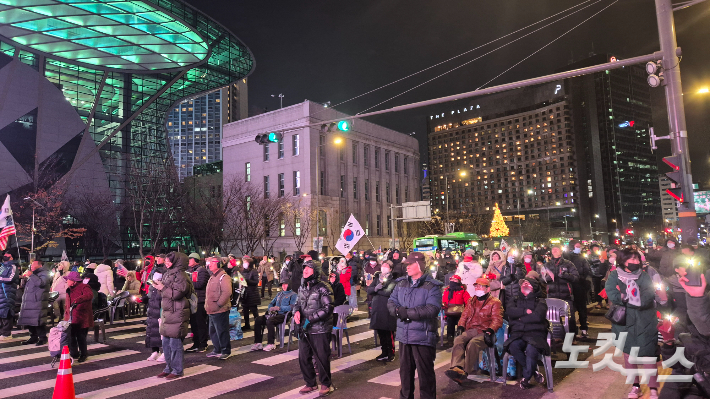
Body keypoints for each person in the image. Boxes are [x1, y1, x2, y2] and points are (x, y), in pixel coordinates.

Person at [605, 248, 663, 399]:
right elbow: (611, 291)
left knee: (648, 354)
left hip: (645, 319)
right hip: (624, 321)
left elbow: (648, 294)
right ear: (623, 261)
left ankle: (653, 388)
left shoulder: (643, 276)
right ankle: (635, 386)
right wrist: (627, 297)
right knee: (629, 355)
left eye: (637, 259)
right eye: (632, 259)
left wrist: (626, 297)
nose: (636, 262)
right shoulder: (614, 275)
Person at [388, 252, 443, 399]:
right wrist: (399, 311)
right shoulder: (401, 283)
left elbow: (432, 309)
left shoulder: (432, 286)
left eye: (411, 264)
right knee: (405, 373)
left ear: (420, 266)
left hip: (423, 337)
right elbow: (391, 302)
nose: (407, 267)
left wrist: (407, 313)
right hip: (404, 336)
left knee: (425, 374)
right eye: (407, 264)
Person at [446, 278, 503, 383]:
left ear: (487, 289)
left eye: (480, 286)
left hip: (484, 331)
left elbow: (497, 319)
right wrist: (460, 326)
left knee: (473, 343)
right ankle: (456, 367)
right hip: (471, 329)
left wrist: (490, 330)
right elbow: (464, 316)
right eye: (476, 286)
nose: (477, 288)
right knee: (459, 339)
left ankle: (464, 372)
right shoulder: (471, 301)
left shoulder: (495, 302)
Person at [293, 261, 335, 397]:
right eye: (304, 268)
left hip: (320, 328)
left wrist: (311, 319)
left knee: (321, 357)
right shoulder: (302, 287)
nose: (305, 271)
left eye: (308, 268)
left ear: (315, 271)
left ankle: (325, 383)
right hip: (304, 328)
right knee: (303, 357)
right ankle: (310, 383)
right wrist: (296, 312)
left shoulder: (323, 287)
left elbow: (328, 308)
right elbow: (297, 303)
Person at [152, 252, 193, 379]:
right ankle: (168, 367)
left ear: (177, 262)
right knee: (166, 343)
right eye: (166, 261)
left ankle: (177, 370)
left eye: (169, 261)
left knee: (175, 344)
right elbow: (164, 293)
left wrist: (162, 288)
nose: (166, 263)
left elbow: (177, 294)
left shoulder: (181, 276)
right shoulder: (168, 273)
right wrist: (158, 287)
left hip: (178, 312)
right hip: (168, 311)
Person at [503, 278, 549, 389]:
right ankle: (534, 372)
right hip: (518, 333)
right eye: (523, 283)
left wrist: (519, 318)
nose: (524, 284)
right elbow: (509, 311)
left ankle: (526, 378)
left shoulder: (540, 301)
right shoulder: (514, 299)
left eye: (527, 283)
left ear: (534, 287)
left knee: (531, 350)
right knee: (513, 346)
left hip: (535, 333)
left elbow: (538, 317)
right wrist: (525, 312)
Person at [541, 245, 580, 334]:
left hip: (566, 295)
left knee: (570, 318)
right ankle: (556, 336)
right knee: (553, 317)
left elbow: (576, 278)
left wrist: (565, 275)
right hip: (551, 295)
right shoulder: (547, 265)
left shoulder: (568, 264)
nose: (554, 250)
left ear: (561, 252)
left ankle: (571, 338)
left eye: (556, 249)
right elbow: (541, 279)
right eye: (553, 249)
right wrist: (549, 278)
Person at [252, 281, 297, 352]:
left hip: (283, 315)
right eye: (282, 285)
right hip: (274, 314)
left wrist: (280, 308)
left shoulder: (293, 295)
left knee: (270, 321)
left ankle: (271, 343)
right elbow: (271, 303)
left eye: (285, 284)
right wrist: (271, 308)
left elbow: (292, 307)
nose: (284, 286)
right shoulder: (279, 294)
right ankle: (258, 343)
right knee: (258, 319)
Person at [367, 261, 397, 362]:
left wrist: (376, 290)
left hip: (386, 309)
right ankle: (384, 351)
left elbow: (388, 292)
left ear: (391, 269)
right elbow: (369, 290)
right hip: (377, 308)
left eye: (387, 266)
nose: (384, 268)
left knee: (388, 333)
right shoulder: (377, 278)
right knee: (380, 332)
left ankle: (391, 352)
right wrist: (375, 288)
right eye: (383, 266)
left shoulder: (393, 280)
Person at [205, 257, 233, 360]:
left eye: (212, 263)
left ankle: (225, 350)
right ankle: (217, 349)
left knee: (222, 331)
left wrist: (219, 304)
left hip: (220, 310)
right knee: (213, 331)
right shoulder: (212, 276)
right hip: (211, 310)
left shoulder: (223, 277)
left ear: (218, 264)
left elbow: (227, 292)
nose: (209, 265)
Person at [18, 260, 51, 345]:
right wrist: (24, 279)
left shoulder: (44, 273)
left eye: (33, 264)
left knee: (38, 321)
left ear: (39, 265)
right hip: (30, 300)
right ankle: (33, 337)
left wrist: (31, 275)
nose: (31, 266)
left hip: (37, 301)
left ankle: (42, 338)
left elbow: (41, 283)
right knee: (30, 320)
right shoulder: (34, 274)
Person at [64, 271, 93, 362]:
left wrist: (78, 300)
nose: (67, 281)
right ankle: (74, 353)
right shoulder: (70, 288)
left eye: (68, 279)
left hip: (82, 316)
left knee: (81, 336)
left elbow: (89, 295)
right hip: (72, 316)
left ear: (74, 281)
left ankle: (83, 354)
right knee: (71, 336)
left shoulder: (84, 287)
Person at [185, 252, 209, 353]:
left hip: (200, 300)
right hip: (193, 301)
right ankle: (196, 343)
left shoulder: (202, 270)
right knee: (194, 324)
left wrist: (188, 284)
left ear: (195, 260)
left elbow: (200, 284)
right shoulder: (191, 271)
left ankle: (203, 344)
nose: (188, 262)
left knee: (200, 323)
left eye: (190, 259)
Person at [146, 254, 166, 362]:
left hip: (161, 308)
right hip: (152, 308)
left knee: (161, 332)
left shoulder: (164, 282)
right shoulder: (152, 286)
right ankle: (154, 351)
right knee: (152, 331)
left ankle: (164, 352)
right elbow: (150, 295)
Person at [441, 274, 470, 344]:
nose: (453, 281)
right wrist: (444, 306)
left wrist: (466, 312)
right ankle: (450, 338)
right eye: (452, 279)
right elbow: (444, 301)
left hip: (460, 313)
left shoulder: (463, 291)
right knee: (450, 322)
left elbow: (468, 302)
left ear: (459, 281)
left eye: (455, 280)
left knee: (461, 322)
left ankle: (460, 337)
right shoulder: (447, 291)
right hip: (450, 312)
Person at [0, 253, 18, 339]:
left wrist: (0, 279)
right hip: (1, 293)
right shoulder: (1, 266)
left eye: (8, 255)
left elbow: (11, 278)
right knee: (1, 313)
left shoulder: (13, 267)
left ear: (11, 257)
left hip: (8, 293)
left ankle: (7, 333)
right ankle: (2, 332)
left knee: (7, 313)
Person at [241, 256, 260, 331]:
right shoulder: (243, 271)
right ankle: (247, 324)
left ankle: (258, 324)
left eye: (245, 262)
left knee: (254, 311)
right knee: (245, 310)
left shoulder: (253, 271)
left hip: (252, 294)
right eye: (244, 262)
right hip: (245, 293)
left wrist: (247, 281)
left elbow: (256, 282)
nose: (244, 264)